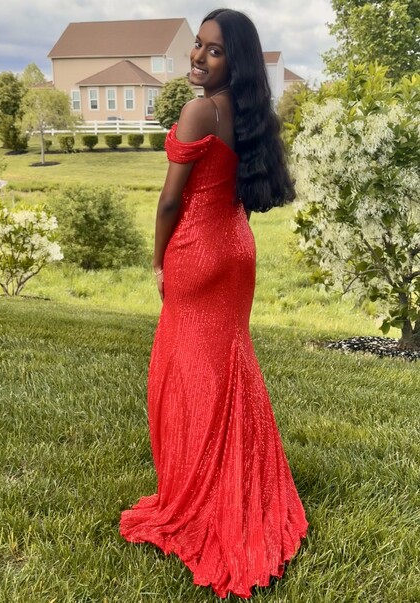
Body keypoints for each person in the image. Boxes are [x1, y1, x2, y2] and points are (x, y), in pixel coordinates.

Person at [120, 8, 308, 599]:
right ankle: (238, 478)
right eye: (198, 45)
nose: (199, 56)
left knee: (185, 374)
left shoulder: (200, 110)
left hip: (198, 254)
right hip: (237, 251)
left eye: (214, 50)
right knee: (228, 367)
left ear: (236, 61)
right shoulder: (248, 113)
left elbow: (169, 202)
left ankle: (198, 492)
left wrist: (158, 261)